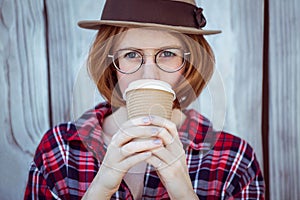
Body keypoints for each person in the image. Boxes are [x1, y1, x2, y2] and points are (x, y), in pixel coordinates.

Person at [24, 0, 265, 199]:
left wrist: (182, 190)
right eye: (131, 55)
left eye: (168, 54)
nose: (149, 74)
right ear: (110, 65)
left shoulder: (235, 161)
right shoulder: (59, 151)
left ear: (190, 64)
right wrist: (101, 189)